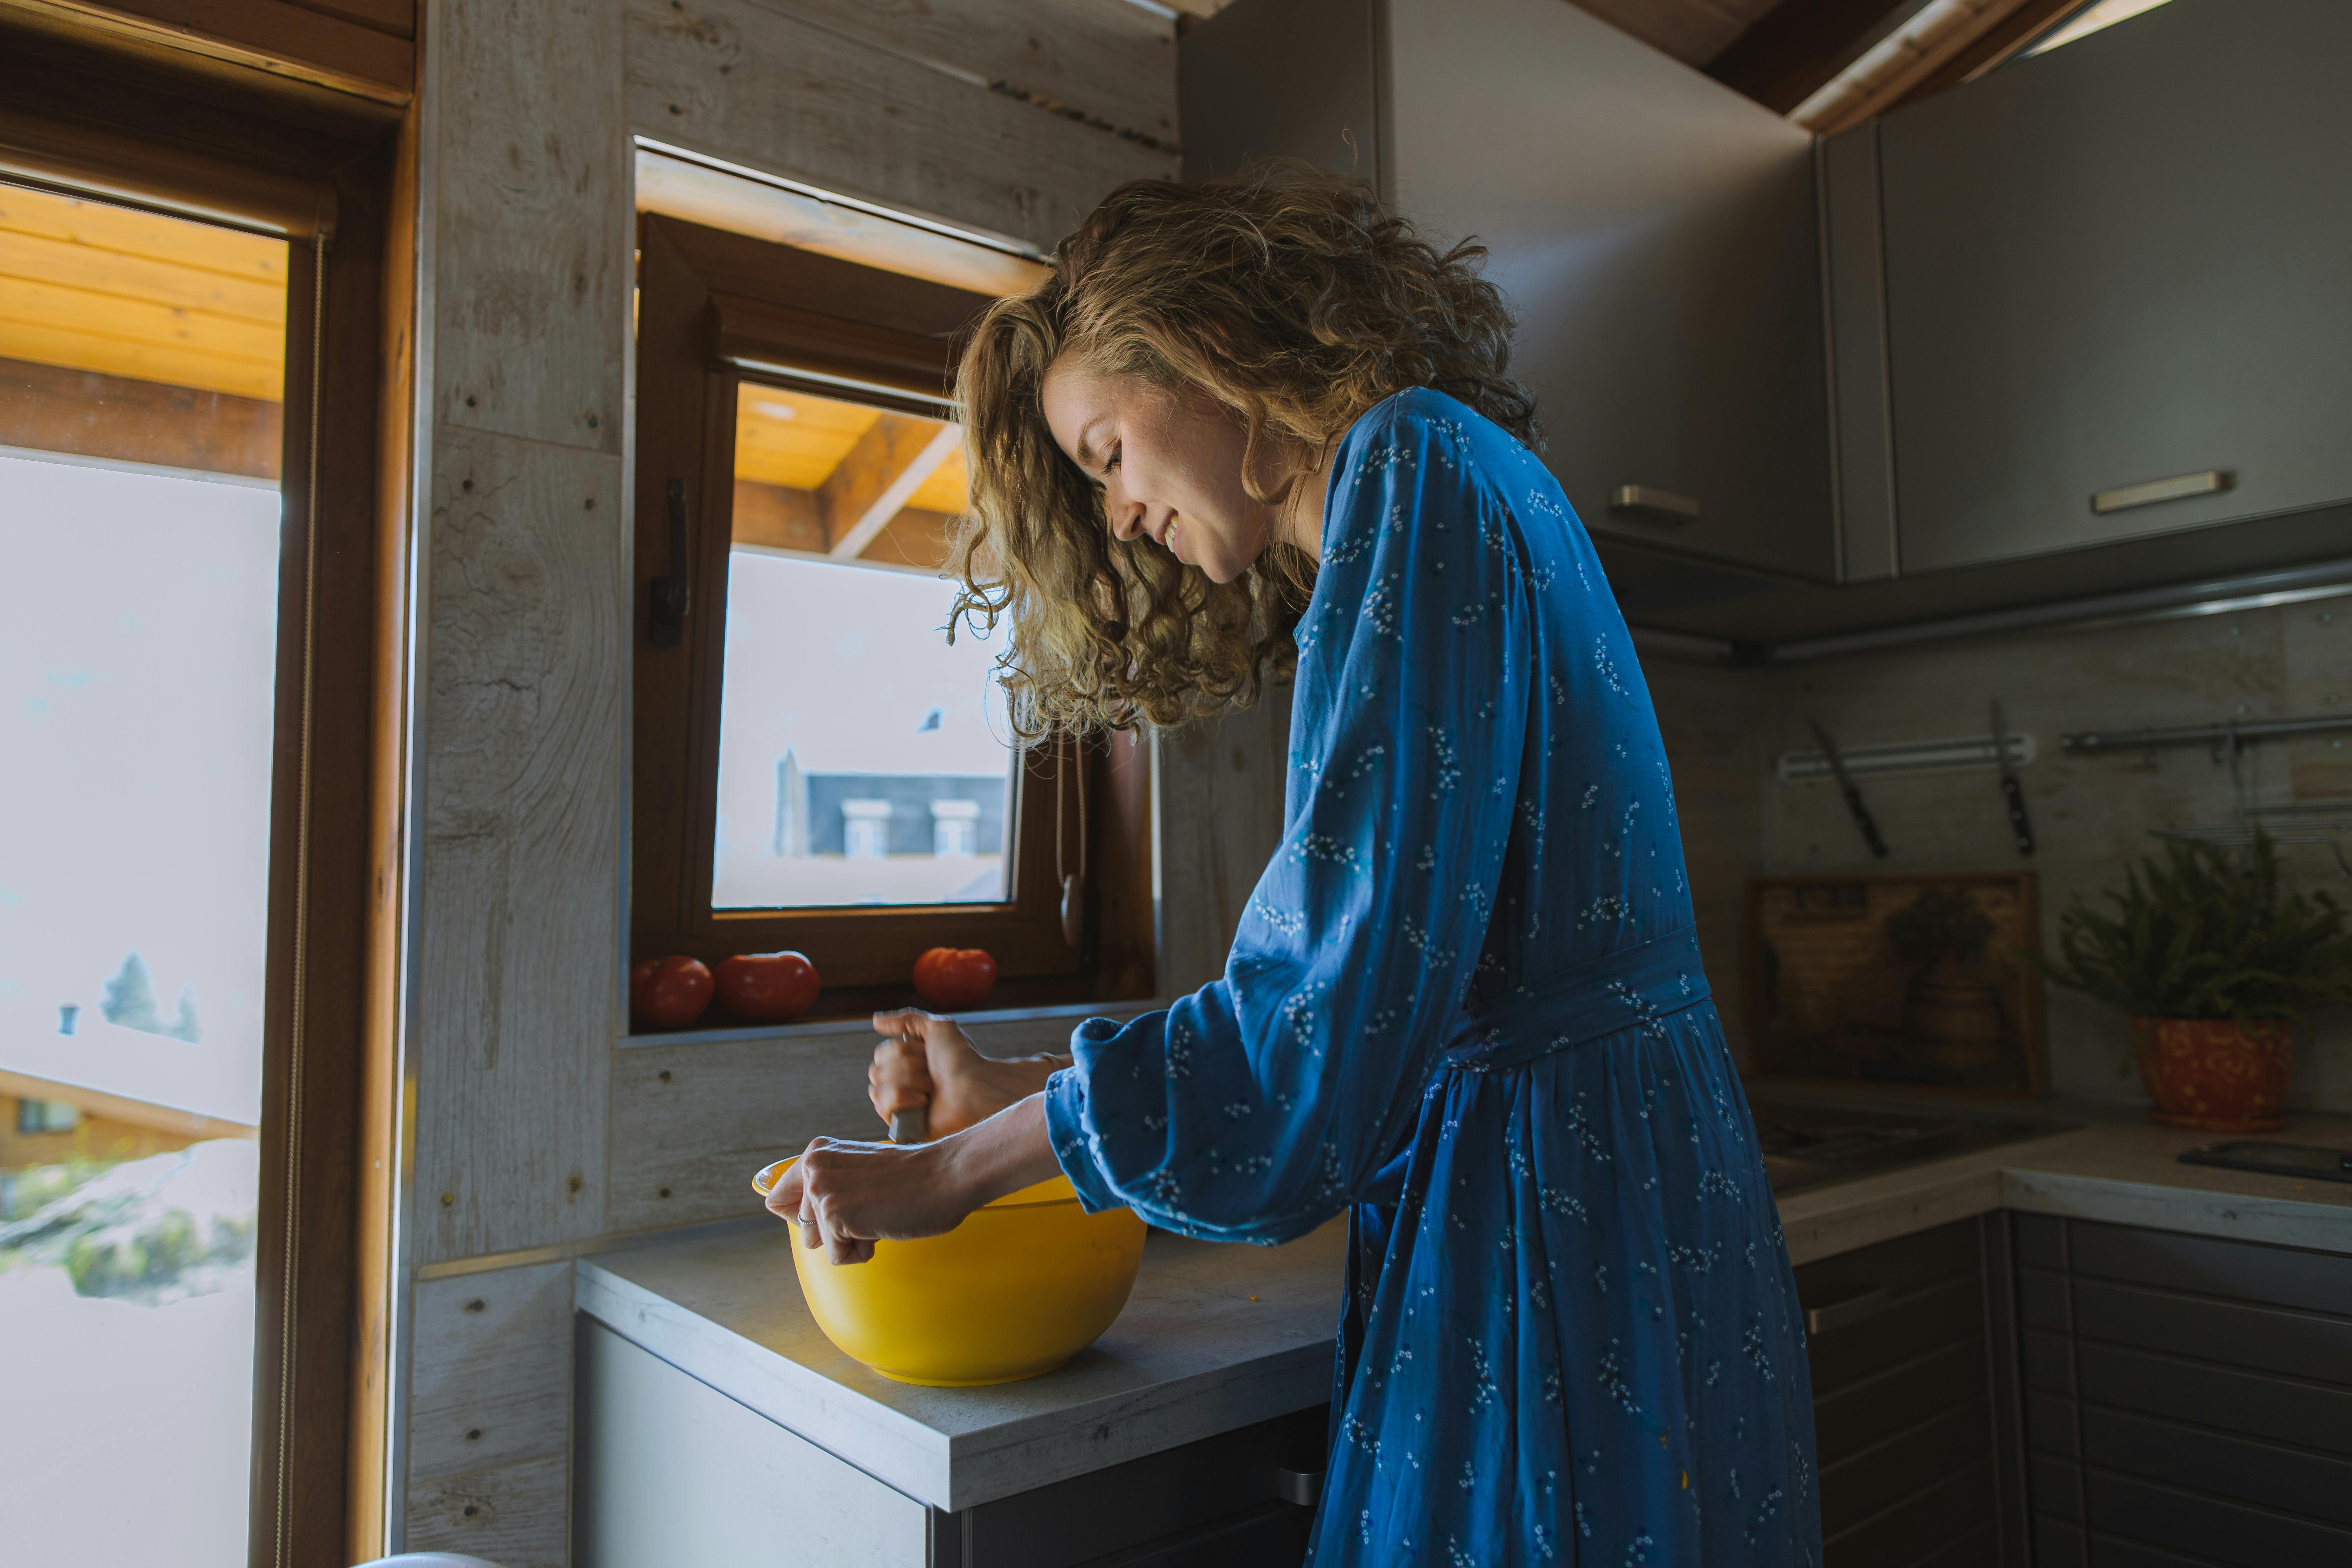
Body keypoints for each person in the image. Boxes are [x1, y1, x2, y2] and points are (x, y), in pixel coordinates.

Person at [767, 165, 1820, 1566]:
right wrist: (1024, 1090)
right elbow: (1366, 995)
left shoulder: (1413, 470)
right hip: (1606, 1179)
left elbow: (1318, 1048)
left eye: (1106, 456)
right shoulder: (1448, 474)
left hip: (1554, 1208)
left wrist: (954, 1170)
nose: (1122, 515)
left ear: (1204, 345)